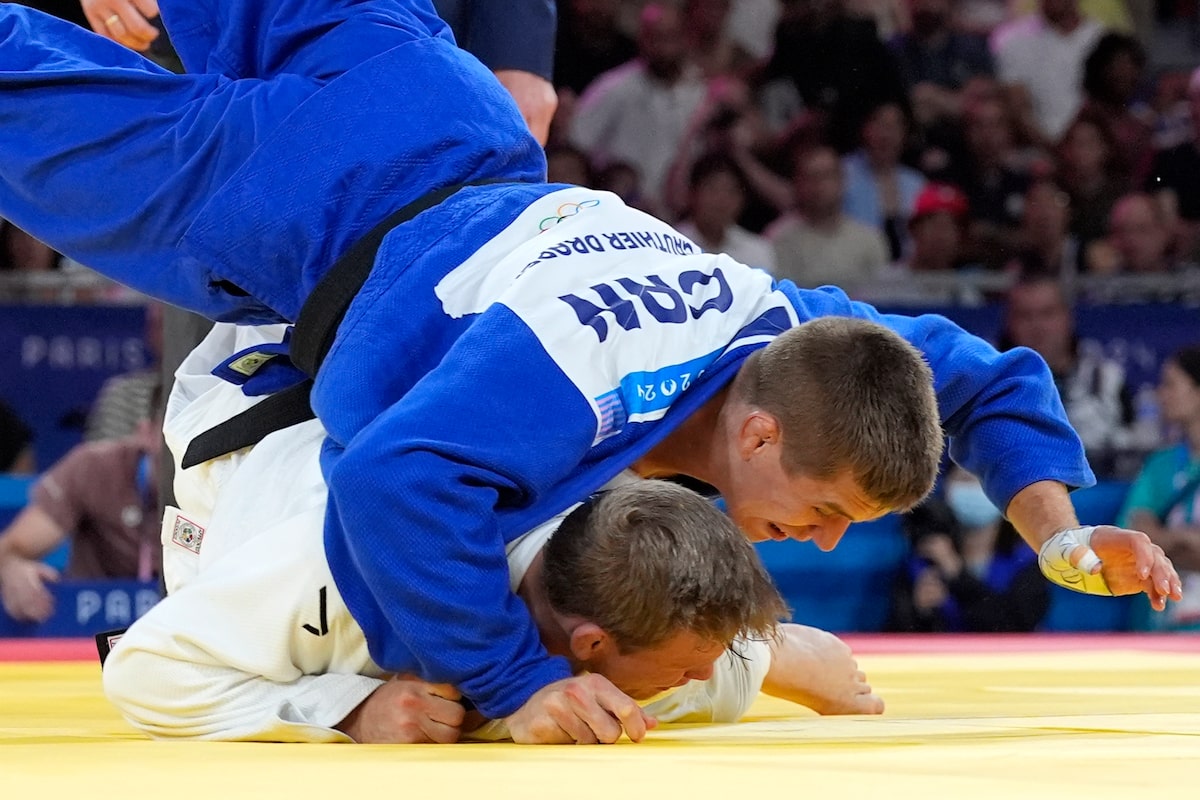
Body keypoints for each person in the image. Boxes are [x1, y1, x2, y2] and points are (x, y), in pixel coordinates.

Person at [0, 0, 1180, 744]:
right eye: (824, 509)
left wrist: (1059, 530)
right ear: (759, 436)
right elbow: (391, 483)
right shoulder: (575, 381)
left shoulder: (786, 326)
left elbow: (976, 376)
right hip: (308, 195)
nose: (823, 540)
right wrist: (517, 680)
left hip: (448, 108)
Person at [103, 322, 881, 743]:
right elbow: (145, 671)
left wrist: (778, 656)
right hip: (257, 400)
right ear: (589, 644)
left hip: (417, 380)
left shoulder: (618, 619)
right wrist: (346, 711)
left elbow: (688, 660)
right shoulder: (336, 565)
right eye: (690, 668)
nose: (700, 677)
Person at [0, 406, 160, 623]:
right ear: (147, 433)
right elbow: (11, 551)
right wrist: (12, 567)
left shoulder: (209, 486)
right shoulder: (96, 467)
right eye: (174, 429)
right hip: (93, 629)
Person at [887, 466, 1050, 633]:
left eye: (983, 480)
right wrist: (919, 612)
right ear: (946, 487)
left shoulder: (1028, 561)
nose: (974, 489)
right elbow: (895, 632)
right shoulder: (924, 560)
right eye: (964, 479)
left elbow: (1016, 627)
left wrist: (958, 576)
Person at [1117, 345, 1200, 630]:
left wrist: (1166, 544)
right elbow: (1135, 538)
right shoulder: (1160, 465)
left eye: (1170, 385)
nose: (1160, 395)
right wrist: (1187, 539)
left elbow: (1154, 541)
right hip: (1161, 624)